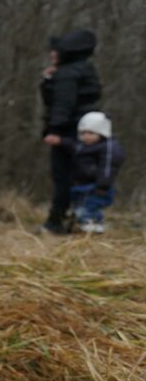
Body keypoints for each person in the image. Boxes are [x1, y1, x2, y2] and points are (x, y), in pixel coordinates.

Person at [39, 28, 101, 234]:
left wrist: (55, 130)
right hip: (83, 130)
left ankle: (56, 221)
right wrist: (48, 81)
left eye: (55, 51)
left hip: (68, 132)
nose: (52, 54)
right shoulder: (84, 69)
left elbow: (61, 104)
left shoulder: (67, 74)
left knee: (63, 177)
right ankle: (80, 218)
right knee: (81, 177)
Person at [44, 111, 124, 233]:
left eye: (91, 133)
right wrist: (60, 141)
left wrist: (103, 186)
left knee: (89, 209)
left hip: (96, 188)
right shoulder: (82, 145)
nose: (86, 136)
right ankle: (83, 226)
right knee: (79, 209)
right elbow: (72, 145)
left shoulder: (108, 147)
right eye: (83, 133)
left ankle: (93, 229)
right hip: (80, 186)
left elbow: (108, 168)